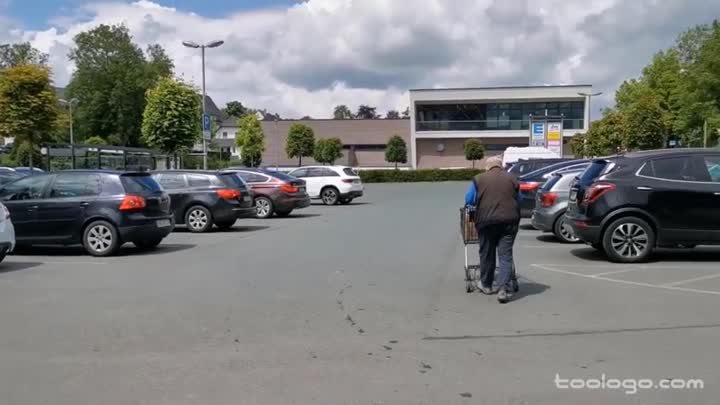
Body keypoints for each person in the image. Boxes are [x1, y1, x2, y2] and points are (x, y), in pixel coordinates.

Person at [464, 155, 520, 303]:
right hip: (509, 221)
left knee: (487, 253)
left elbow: (469, 199)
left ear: (488, 167)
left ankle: (486, 285)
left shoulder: (479, 179)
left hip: (486, 221)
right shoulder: (512, 178)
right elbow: (518, 199)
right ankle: (503, 289)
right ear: (500, 166)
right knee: (505, 255)